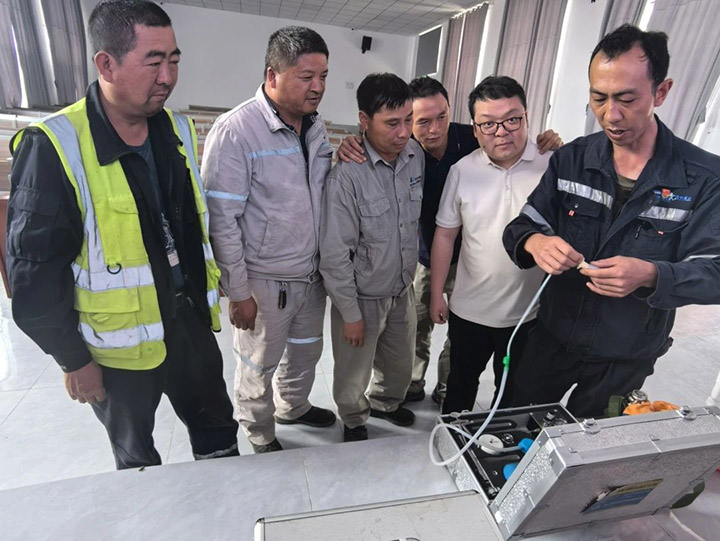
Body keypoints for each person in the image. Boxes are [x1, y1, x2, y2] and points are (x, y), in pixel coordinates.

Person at [7, 0, 239, 469]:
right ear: (106, 64)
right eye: (153, 62)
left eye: (174, 60)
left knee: (219, 438)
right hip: (117, 350)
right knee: (137, 462)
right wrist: (73, 360)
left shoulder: (175, 129)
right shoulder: (55, 145)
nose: (168, 77)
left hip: (189, 324)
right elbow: (33, 274)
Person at [503, 24, 720, 418]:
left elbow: (714, 271)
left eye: (626, 99)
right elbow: (521, 227)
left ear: (661, 92)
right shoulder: (572, 160)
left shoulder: (703, 179)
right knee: (519, 429)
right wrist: (537, 243)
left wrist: (651, 274)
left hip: (625, 356)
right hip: (552, 339)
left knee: (594, 447)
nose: (610, 114)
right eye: (598, 98)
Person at [337, 77, 561, 406]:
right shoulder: (406, 150)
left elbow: (506, 129)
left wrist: (549, 140)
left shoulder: (473, 137)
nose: (434, 129)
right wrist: (353, 142)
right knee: (416, 327)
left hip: (474, 260)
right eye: (421, 121)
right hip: (426, 254)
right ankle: (410, 385)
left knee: (463, 345)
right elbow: (376, 145)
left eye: (441, 116)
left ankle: (445, 389)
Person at [202, 26, 336, 453]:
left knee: (305, 352)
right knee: (257, 363)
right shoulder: (236, 131)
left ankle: (292, 407)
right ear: (272, 75)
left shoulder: (315, 127)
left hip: (309, 274)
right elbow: (221, 220)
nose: (318, 87)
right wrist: (238, 291)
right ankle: (259, 431)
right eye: (306, 76)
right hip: (263, 281)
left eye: (323, 76)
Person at [430, 76, 549, 414]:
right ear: (475, 128)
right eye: (488, 124)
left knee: (512, 394)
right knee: (459, 387)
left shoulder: (550, 165)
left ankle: (503, 440)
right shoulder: (462, 171)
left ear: (526, 116)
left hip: (528, 313)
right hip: (470, 309)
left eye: (512, 119)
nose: (501, 132)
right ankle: (453, 437)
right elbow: (445, 234)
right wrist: (436, 292)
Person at [319, 73, 424, 442]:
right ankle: (352, 418)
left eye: (409, 120)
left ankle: (385, 403)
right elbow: (335, 253)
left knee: (399, 363)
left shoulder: (415, 157)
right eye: (392, 123)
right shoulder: (347, 177)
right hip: (362, 296)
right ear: (364, 120)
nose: (403, 132)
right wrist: (350, 313)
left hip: (402, 288)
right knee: (353, 372)